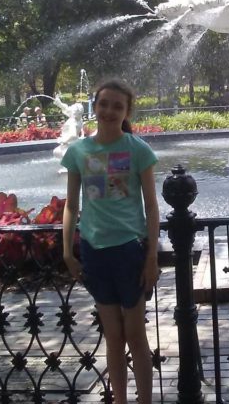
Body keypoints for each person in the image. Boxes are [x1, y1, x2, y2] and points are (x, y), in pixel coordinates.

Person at [61, 80, 160, 404]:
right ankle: (119, 399)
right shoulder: (78, 151)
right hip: (94, 250)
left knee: (135, 336)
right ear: (95, 106)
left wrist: (151, 258)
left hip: (129, 250)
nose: (109, 111)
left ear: (127, 111)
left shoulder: (138, 150)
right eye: (104, 104)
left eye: (117, 106)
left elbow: (152, 207)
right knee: (113, 337)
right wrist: (68, 252)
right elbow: (71, 205)